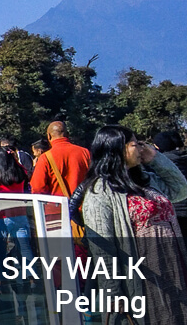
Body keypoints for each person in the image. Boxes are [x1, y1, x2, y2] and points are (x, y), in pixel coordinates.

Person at [74, 125, 187, 324]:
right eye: (135, 144)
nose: (141, 148)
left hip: (171, 265)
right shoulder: (100, 191)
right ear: (118, 150)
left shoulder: (145, 180)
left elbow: (180, 190)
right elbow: (102, 247)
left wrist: (156, 158)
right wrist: (112, 291)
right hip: (144, 275)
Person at [32, 121, 91, 198]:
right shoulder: (85, 152)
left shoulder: (45, 158)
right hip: (82, 207)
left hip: (57, 207)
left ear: (49, 136)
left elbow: (37, 188)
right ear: (67, 135)